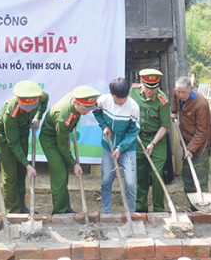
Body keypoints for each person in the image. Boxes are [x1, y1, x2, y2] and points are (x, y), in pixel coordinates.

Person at [39, 85, 100, 214]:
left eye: (89, 108)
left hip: (60, 134)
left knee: (62, 174)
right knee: (59, 174)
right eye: (85, 108)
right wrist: (74, 164)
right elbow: (61, 146)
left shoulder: (77, 100)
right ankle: (60, 211)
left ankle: (65, 207)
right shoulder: (63, 117)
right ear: (75, 103)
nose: (87, 111)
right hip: (50, 139)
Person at [0, 80, 49, 214]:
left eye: (32, 106)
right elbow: (12, 142)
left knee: (21, 172)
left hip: (23, 133)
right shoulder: (10, 113)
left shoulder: (40, 96)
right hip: (6, 140)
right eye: (26, 107)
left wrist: (38, 118)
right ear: (19, 101)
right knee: (11, 175)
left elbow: (44, 100)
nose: (29, 109)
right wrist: (28, 164)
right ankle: (13, 211)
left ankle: (21, 206)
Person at [93, 78, 140, 213]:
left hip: (127, 148)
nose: (122, 101)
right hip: (108, 145)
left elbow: (133, 131)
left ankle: (130, 212)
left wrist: (121, 148)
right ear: (110, 93)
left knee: (130, 183)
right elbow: (97, 112)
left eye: (124, 97)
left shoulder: (133, 106)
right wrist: (104, 126)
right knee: (106, 180)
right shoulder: (103, 100)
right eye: (118, 98)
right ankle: (106, 211)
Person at [130, 69, 171, 213]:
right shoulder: (132, 93)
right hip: (138, 138)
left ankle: (159, 208)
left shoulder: (162, 100)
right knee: (141, 172)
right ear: (141, 82)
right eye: (147, 87)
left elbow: (165, 126)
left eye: (153, 88)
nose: (149, 91)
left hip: (157, 139)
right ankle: (141, 207)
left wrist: (153, 143)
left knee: (157, 173)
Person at [171, 76, 211, 210]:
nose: (180, 95)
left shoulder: (201, 104)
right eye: (178, 91)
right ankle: (192, 205)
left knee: (200, 178)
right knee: (187, 176)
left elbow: (202, 132)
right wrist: (174, 111)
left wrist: (191, 149)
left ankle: (201, 207)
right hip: (186, 141)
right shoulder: (178, 93)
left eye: (184, 92)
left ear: (191, 89)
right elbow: (174, 98)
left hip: (199, 145)